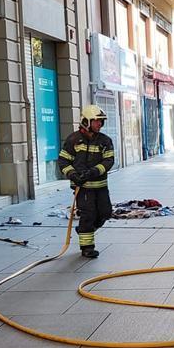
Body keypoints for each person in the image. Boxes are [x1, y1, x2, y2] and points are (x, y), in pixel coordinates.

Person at [57, 104, 115, 259]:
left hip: (100, 186)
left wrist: (94, 171)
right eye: (96, 121)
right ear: (86, 121)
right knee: (88, 214)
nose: (99, 124)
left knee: (105, 212)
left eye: (101, 121)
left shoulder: (105, 141)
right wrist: (73, 175)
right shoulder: (73, 140)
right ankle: (87, 247)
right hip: (82, 188)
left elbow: (109, 160)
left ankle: (83, 229)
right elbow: (63, 161)